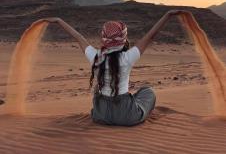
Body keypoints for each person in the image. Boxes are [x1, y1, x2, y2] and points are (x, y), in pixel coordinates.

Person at [44, 9, 182, 126]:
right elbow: (151, 36)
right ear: (123, 39)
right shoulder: (127, 58)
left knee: (101, 92)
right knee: (148, 91)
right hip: (126, 116)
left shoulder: (95, 56)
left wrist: (59, 20)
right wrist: (168, 15)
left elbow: (78, 37)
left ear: (104, 38)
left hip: (101, 114)